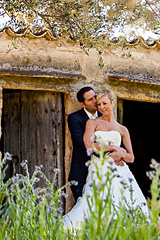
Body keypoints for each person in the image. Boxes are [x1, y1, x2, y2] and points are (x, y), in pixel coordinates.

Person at [62, 89, 149, 229]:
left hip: (120, 172)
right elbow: (89, 146)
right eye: (99, 104)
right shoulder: (92, 123)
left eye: (105, 103)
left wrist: (121, 154)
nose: (101, 107)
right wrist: (114, 149)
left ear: (113, 103)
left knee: (127, 204)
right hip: (99, 169)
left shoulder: (122, 129)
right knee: (95, 204)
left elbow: (131, 157)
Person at [66, 86, 98, 201]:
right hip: (82, 171)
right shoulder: (75, 118)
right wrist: (108, 154)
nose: (95, 101)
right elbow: (81, 142)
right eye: (90, 99)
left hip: (102, 172)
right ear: (83, 104)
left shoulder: (105, 116)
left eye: (95, 97)